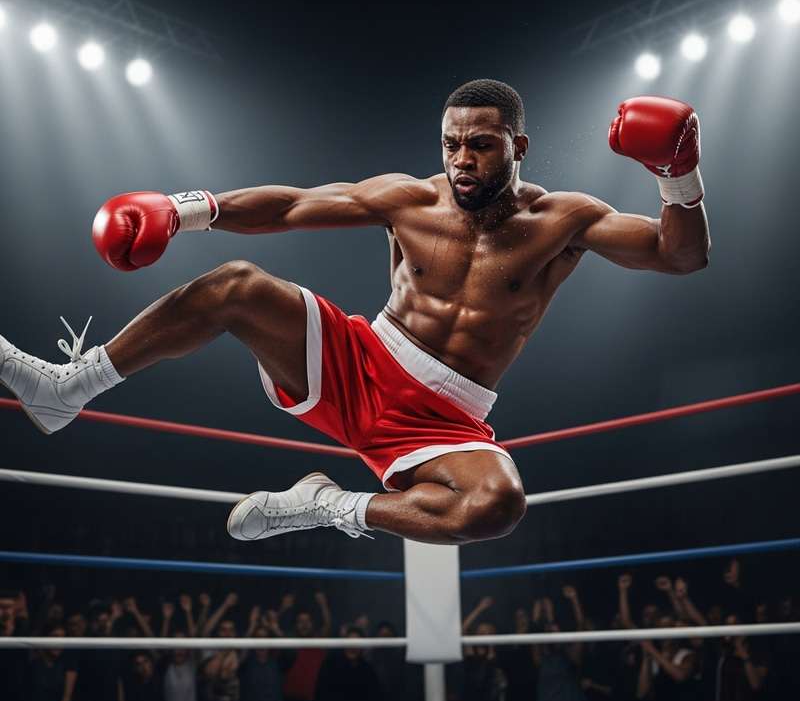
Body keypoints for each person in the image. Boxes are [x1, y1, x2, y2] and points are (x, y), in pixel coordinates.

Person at [0, 80, 710, 545]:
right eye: (451, 143)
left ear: (518, 148)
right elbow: (293, 204)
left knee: (499, 504)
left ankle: (323, 505)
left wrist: (678, 173)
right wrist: (185, 210)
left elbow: (678, 257)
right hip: (358, 362)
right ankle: (69, 388)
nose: (462, 159)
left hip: (443, 419)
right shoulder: (411, 199)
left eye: (482, 145)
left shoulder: (564, 220)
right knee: (236, 285)